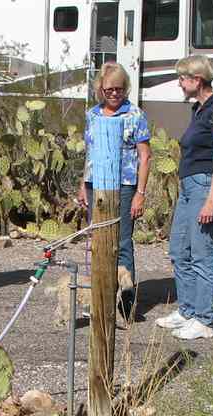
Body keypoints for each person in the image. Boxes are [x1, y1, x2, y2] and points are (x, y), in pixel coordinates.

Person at [155, 55, 213, 340]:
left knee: (202, 253)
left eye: (182, 78)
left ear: (196, 80)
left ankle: (203, 320)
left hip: (204, 186)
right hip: (189, 187)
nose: (179, 83)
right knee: (179, 250)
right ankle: (187, 310)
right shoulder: (199, 109)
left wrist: (211, 201)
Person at [77, 62, 151, 321]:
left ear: (125, 89)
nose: (114, 94)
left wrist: (140, 193)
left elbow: (145, 156)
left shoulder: (136, 115)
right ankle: (98, 297)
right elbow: (90, 153)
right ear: (101, 89)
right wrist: (82, 185)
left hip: (125, 185)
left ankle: (125, 304)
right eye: (109, 89)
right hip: (95, 183)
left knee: (121, 244)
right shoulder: (92, 115)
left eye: (119, 89)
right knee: (97, 242)